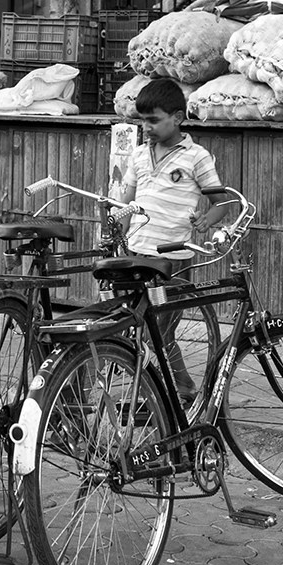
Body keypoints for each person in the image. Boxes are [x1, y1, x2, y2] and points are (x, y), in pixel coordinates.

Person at [117, 78, 228, 406]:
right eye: (142, 120)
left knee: (160, 332)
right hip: (137, 256)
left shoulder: (197, 157)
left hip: (173, 260)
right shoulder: (138, 156)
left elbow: (221, 202)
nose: (146, 127)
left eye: (154, 120)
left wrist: (206, 222)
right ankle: (171, 388)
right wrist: (117, 231)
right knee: (139, 326)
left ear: (177, 118)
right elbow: (127, 200)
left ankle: (168, 391)